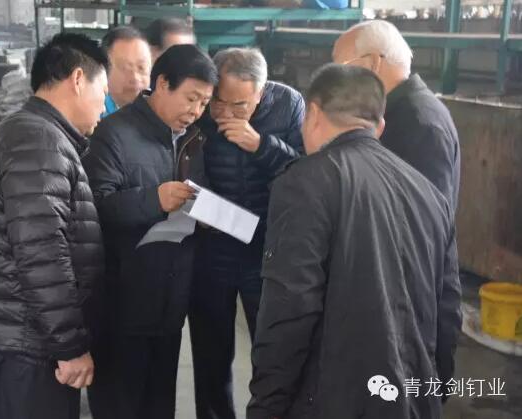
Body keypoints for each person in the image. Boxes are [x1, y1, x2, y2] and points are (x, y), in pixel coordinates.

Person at [247, 64, 462, 419]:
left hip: (333, 402)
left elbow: (289, 308)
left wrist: (266, 406)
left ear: (313, 114)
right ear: (379, 126)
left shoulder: (305, 183)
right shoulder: (430, 195)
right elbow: (448, 309)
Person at [0, 33, 107, 419]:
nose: (104, 107)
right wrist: (70, 347)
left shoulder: (38, 134)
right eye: (103, 92)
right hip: (25, 349)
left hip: (24, 342)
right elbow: (42, 253)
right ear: (79, 79)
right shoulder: (38, 140)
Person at [83, 44, 218, 419]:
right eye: (191, 98)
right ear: (162, 83)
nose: (196, 110)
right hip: (122, 304)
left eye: (204, 103)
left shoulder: (192, 140)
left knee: (159, 405)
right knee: (120, 404)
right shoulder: (114, 133)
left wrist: (206, 216)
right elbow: (94, 206)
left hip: (170, 301)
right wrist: (153, 199)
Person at [189, 47, 305, 419]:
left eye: (239, 105)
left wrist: (261, 145)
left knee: (272, 352)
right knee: (211, 355)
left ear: (261, 92)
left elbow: (307, 173)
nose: (224, 113)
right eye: (218, 103)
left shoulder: (288, 105)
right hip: (212, 250)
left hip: (266, 253)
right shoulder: (202, 106)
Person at [333, 19, 460, 210]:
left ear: (373, 63)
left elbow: (424, 217)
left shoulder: (420, 124)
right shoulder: (394, 113)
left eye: (341, 68)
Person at [101, 25, 151, 116]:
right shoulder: (92, 116)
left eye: (141, 67)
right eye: (124, 68)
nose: (135, 78)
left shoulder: (161, 111)